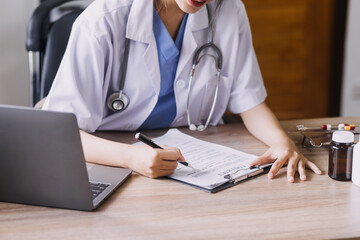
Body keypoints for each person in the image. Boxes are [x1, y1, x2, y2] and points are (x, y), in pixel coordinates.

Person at [42, 0, 322, 182]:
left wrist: (283, 143)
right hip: (112, 164)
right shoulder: (101, 21)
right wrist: (131, 157)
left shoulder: (228, 9)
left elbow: (248, 100)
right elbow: (61, 135)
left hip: (193, 168)